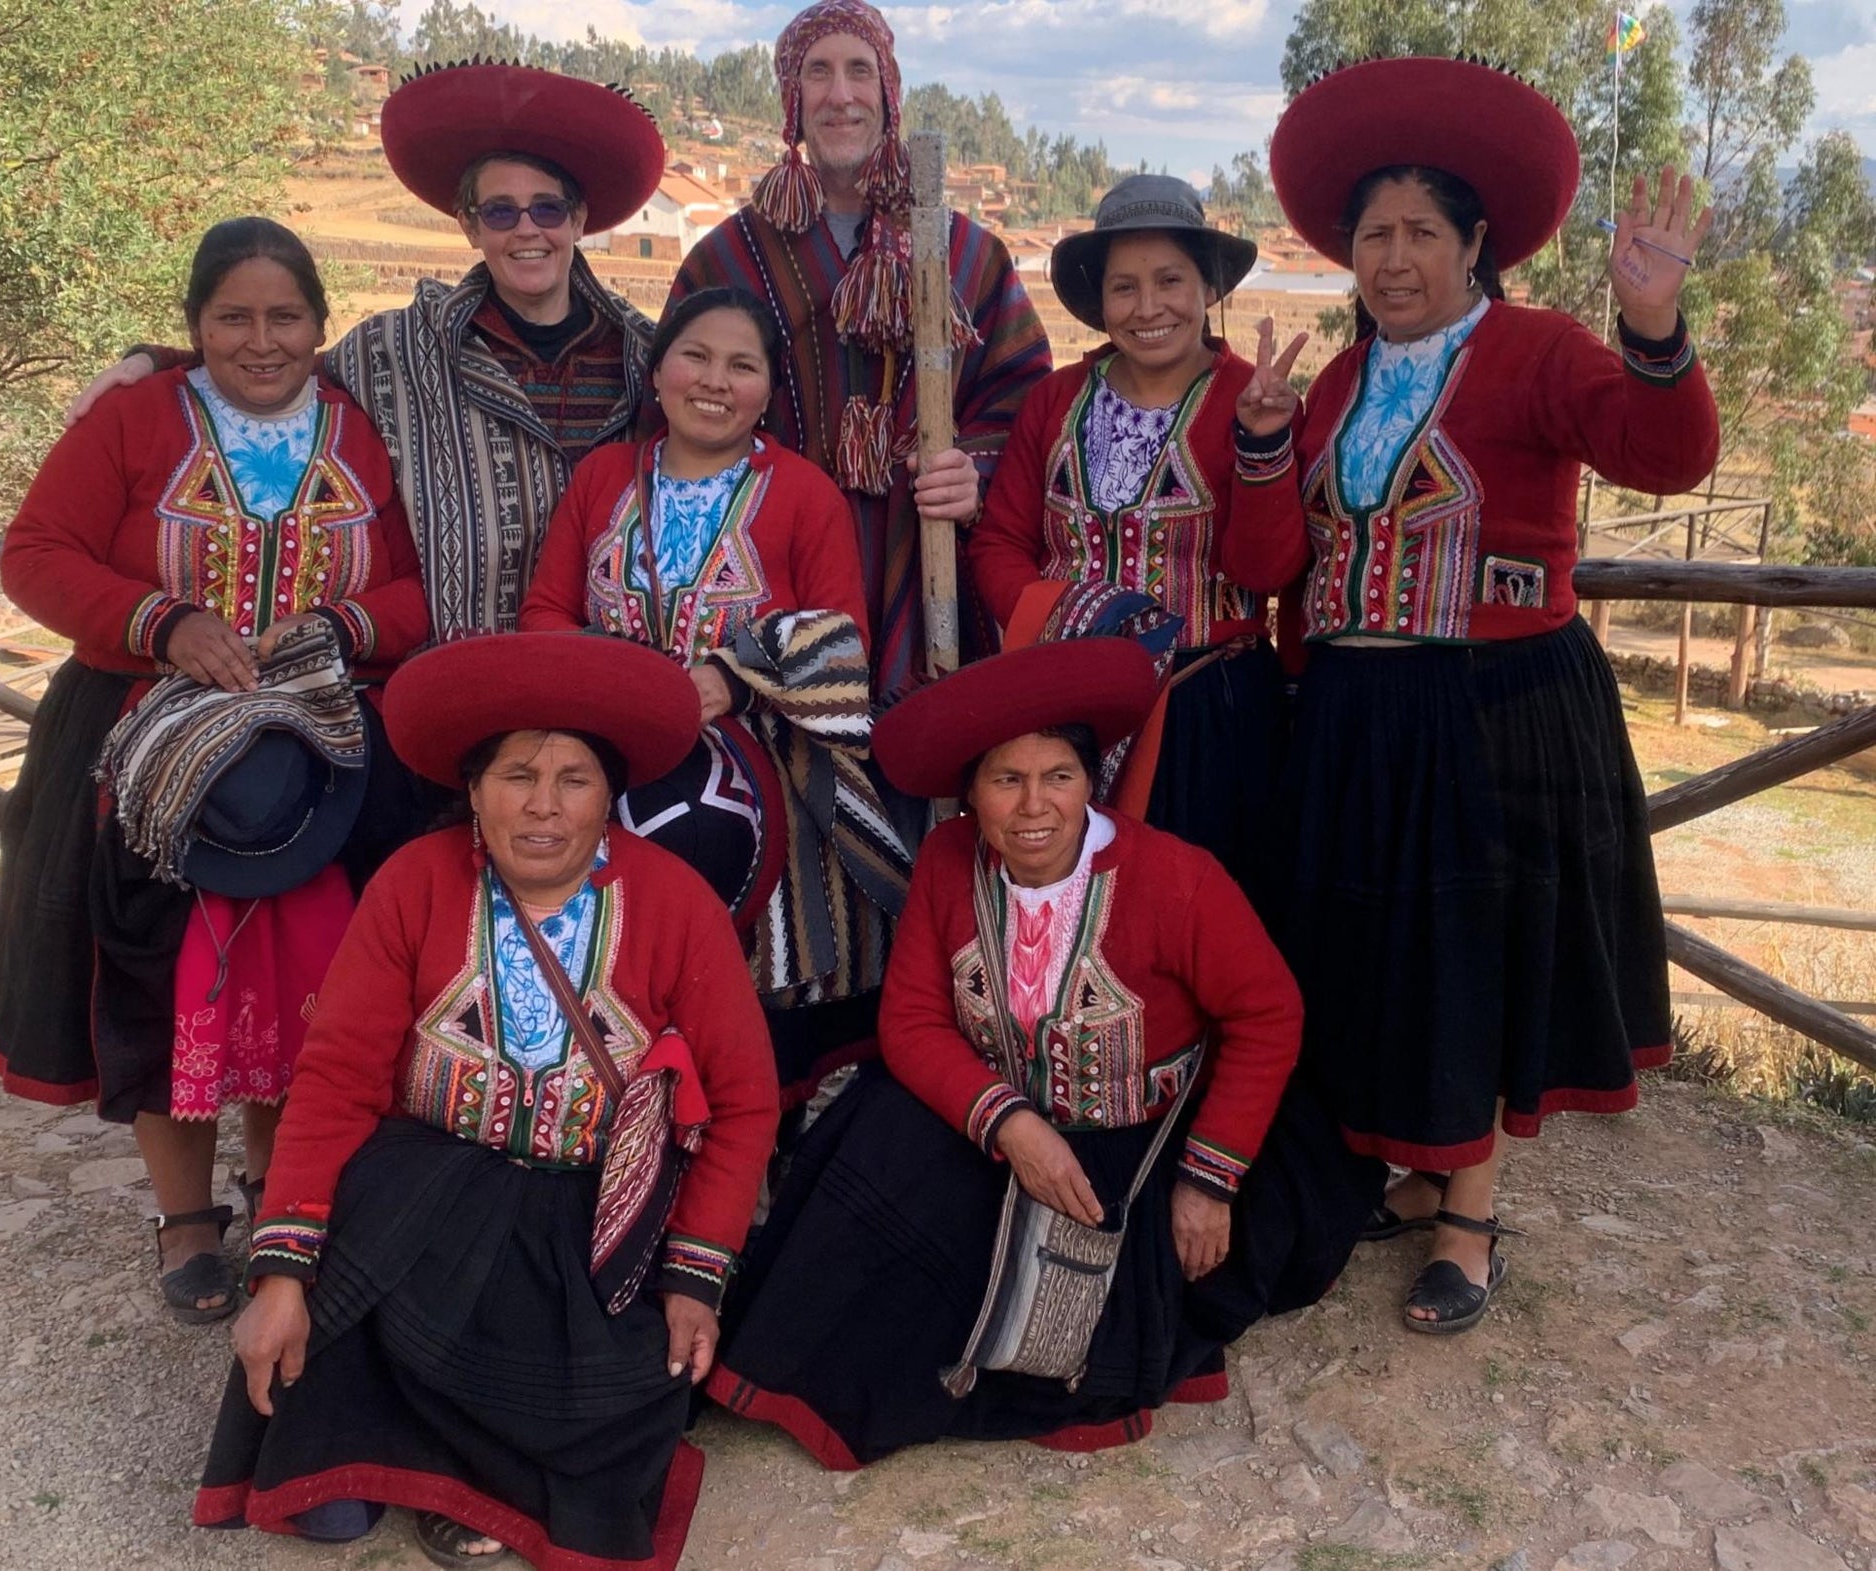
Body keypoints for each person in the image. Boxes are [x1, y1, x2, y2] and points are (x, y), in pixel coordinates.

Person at [1227, 57, 1721, 1334]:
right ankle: (1402, 1157)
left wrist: (1653, 326)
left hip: (1488, 710)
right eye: (1372, 235)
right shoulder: (1332, 386)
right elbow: (1268, 567)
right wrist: (1268, 447)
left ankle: (1468, 1211)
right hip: (1348, 714)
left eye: (1419, 233)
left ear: (1472, 245)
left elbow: (1661, 456)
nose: (1392, 258)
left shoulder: (1534, 350)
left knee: (1464, 954)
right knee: (1365, 948)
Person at [706, 640, 1380, 1465]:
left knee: (1114, 1315)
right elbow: (914, 1021)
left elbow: (1269, 1014)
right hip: (1002, 1123)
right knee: (876, 1138)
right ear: (971, 796)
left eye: (1057, 775)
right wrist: (1012, 1125)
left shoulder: (1176, 879)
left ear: (1088, 781)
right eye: (1006, 780)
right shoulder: (950, 863)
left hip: (1148, 1134)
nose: (1034, 805)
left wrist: (1211, 1180)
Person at [193, 631, 780, 1570]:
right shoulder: (413, 885)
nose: (544, 806)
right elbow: (338, 1078)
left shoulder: (675, 904)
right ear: (473, 791)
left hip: (586, 1217)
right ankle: (382, 1453)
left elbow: (745, 1103)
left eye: (575, 779)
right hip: (428, 1189)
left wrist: (693, 1277)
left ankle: (471, 1473)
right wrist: (280, 1275)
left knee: (613, 1382)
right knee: (337, 1309)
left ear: (609, 798)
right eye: (517, 774)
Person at [0, 217, 430, 1321]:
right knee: (161, 973)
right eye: (234, 316)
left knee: (307, 981)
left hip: (323, 752)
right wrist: (165, 621)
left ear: (321, 327)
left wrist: (338, 620)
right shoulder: (136, 419)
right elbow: (36, 555)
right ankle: (185, 1216)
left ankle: (281, 1188)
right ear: (194, 327)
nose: (262, 339)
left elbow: (430, 584)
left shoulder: (365, 435)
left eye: (285, 316)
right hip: (142, 744)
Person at [68, 61, 665, 637]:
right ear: (469, 225)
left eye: (548, 208)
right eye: (501, 211)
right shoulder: (391, 350)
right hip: (458, 675)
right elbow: (279, 362)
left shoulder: (648, 359)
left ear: (578, 218)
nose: (526, 230)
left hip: (606, 664)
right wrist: (160, 358)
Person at [521, 288, 909, 1104]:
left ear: (769, 390)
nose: (714, 381)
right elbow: (545, 613)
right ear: (658, 370)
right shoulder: (602, 478)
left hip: (758, 749)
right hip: (611, 741)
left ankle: (742, 1124)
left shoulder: (804, 494)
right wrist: (621, 688)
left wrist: (731, 679)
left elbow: (845, 640)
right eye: (695, 356)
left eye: (742, 365)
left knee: (720, 862)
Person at [666, 0, 1052, 701]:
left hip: (930, 565)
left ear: (889, 93)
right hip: (768, 571)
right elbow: (675, 405)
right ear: (792, 100)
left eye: (859, 71)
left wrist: (976, 472)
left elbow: (1024, 397)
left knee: (923, 763)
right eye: (818, 73)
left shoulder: (965, 255)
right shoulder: (727, 259)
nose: (840, 94)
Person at [968, 175, 1283, 905]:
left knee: (1190, 910)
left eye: (1170, 280)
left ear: (1206, 286)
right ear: (1098, 299)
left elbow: (1265, 567)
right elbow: (1000, 542)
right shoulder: (1056, 400)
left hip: (1207, 715)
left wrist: (1265, 447)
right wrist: (1079, 625)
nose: (1148, 308)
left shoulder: (1246, 396)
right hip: (1068, 709)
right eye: (1124, 287)